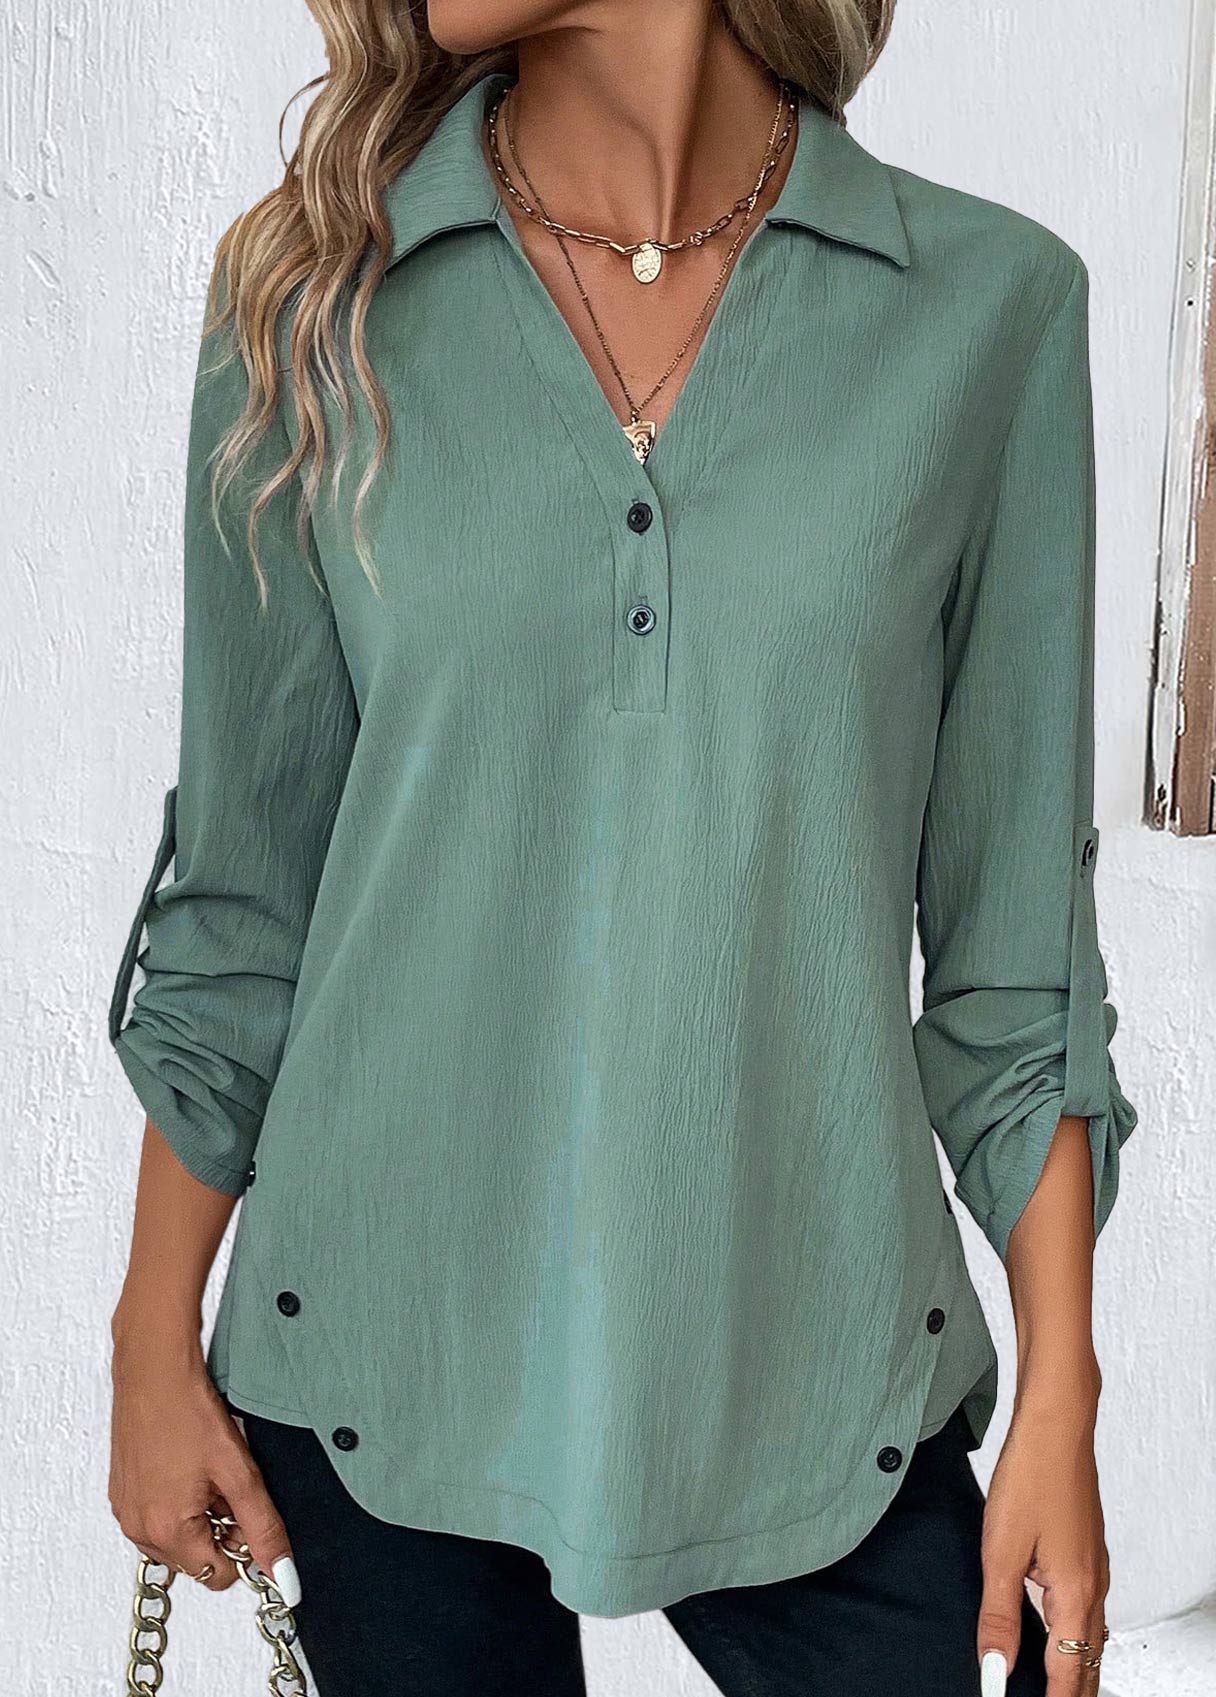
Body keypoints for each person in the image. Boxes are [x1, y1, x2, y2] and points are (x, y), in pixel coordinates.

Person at [106, 3, 1137, 1693]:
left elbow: (1018, 970)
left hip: (822, 1367)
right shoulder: (312, 301)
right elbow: (247, 894)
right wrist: (151, 1337)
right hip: (377, 1361)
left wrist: (1061, 1404)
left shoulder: (987, 312)